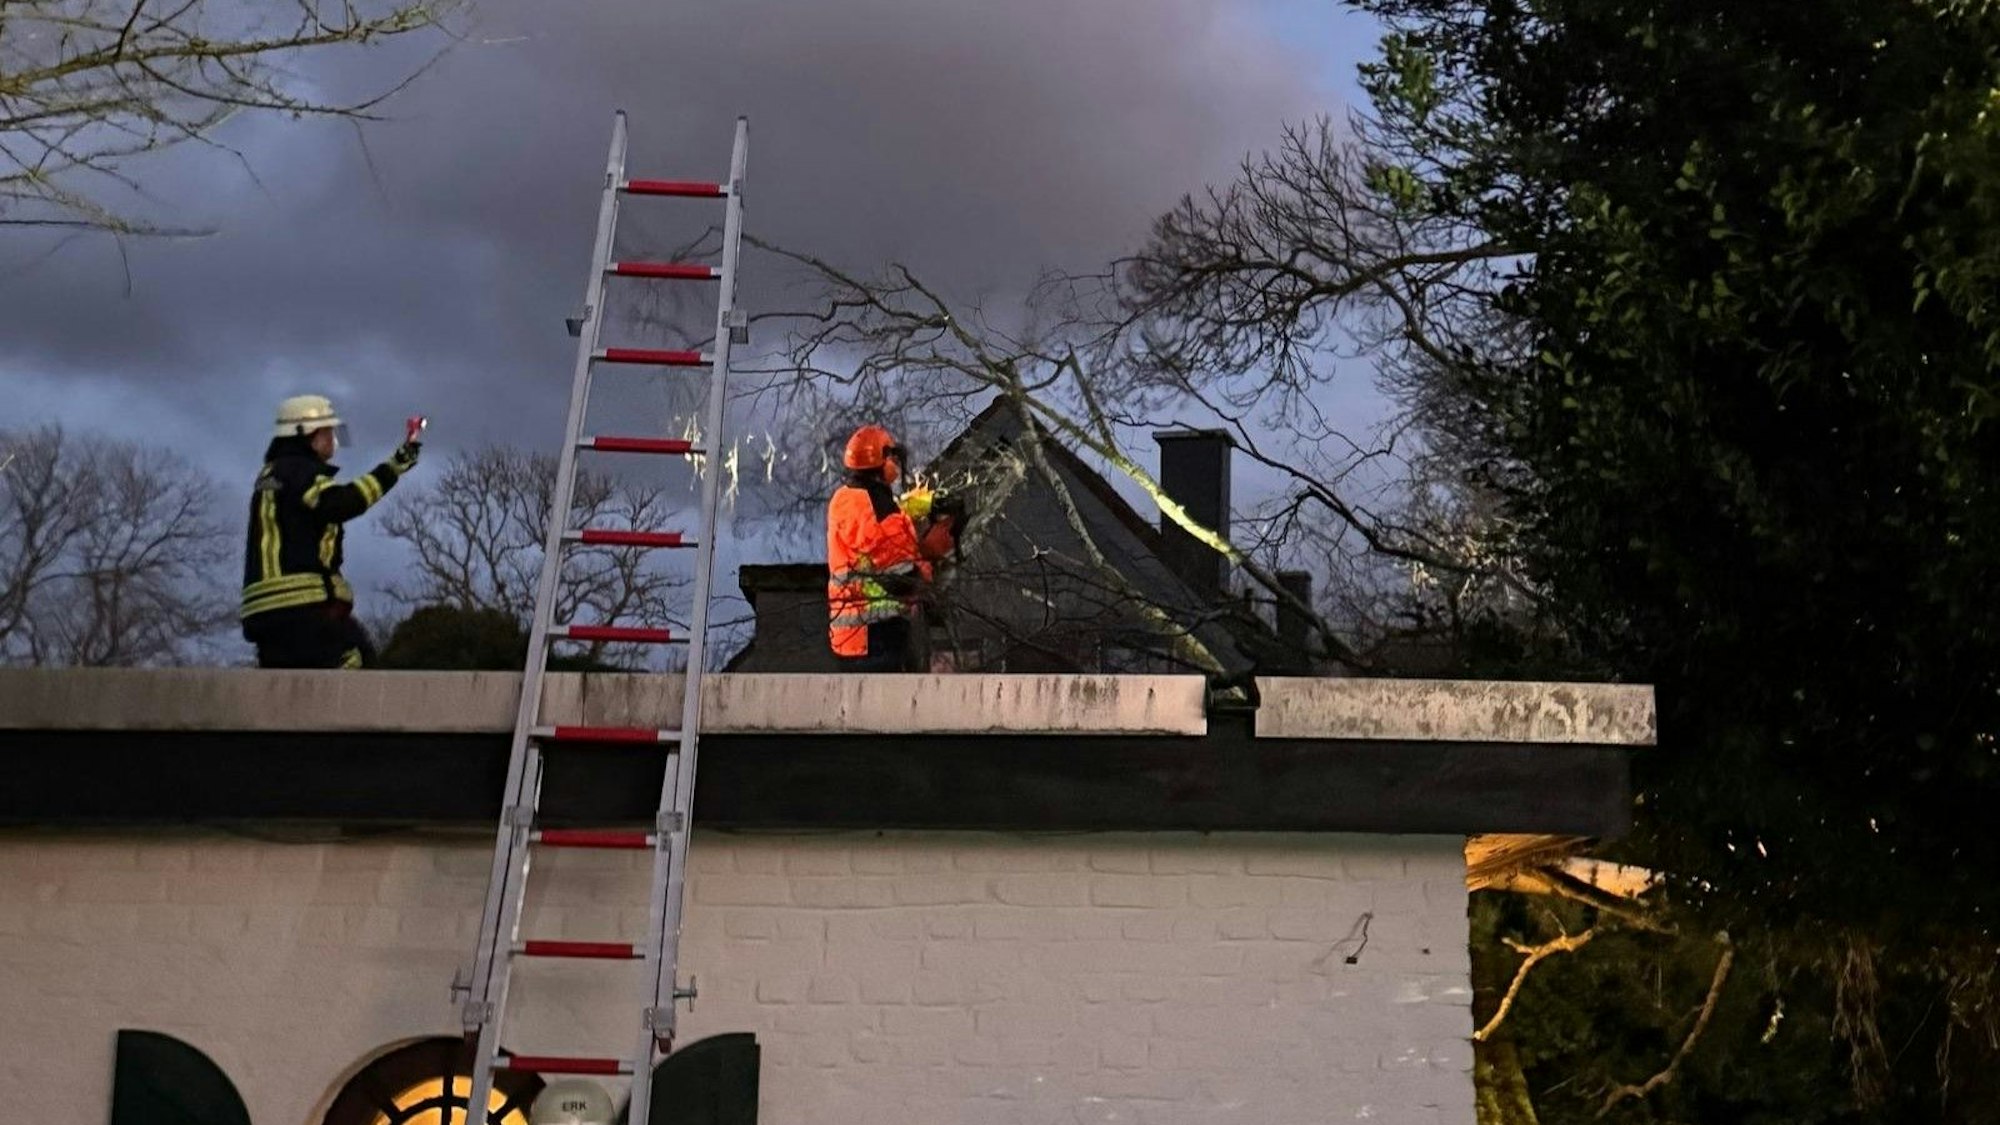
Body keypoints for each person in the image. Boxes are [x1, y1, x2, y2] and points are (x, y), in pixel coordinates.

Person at [241, 394, 421, 669]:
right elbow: (340, 503)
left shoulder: (272, 475)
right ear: (303, 433)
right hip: (302, 608)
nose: (332, 440)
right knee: (354, 660)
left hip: (266, 616)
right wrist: (393, 468)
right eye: (326, 432)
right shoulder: (299, 471)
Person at [826, 424, 956, 672]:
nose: (896, 465)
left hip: (854, 639)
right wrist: (928, 554)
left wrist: (908, 510)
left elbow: (873, 545)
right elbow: (902, 581)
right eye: (892, 457)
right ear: (882, 462)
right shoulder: (878, 509)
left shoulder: (847, 497)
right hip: (878, 636)